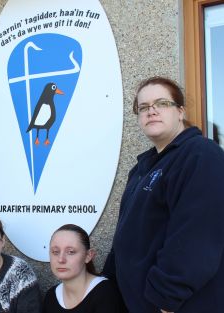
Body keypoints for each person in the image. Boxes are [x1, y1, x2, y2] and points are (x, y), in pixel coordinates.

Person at [103, 76, 224, 313]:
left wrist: (164, 301)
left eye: (161, 103)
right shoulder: (140, 170)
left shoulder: (201, 155)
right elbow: (125, 238)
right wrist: (108, 285)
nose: (152, 111)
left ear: (180, 111)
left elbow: (196, 237)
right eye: (144, 107)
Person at [43, 224, 125, 313]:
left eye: (70, 252)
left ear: (88, 256)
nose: (61, 259)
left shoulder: (106, 293)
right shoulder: (51, 296)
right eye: (55, 252)